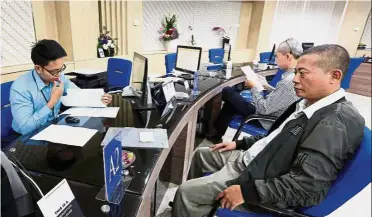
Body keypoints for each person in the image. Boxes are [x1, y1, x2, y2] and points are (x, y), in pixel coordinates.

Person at [172, 44, 365, 217]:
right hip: (257, 160)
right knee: (202, 154)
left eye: (303, 73)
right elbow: (277, 137)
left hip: (256, 179)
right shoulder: (308, 103)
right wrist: (240, 143)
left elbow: (309, 188)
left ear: (334, 76)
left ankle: (192, 202)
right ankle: (198, 209)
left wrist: (246, 192)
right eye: (296, 72)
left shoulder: (333, 123)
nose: (295, 80)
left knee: (186, 192)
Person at [209, 38, 303, 144]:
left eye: (276, 56)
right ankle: (216, 134)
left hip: (265, 119)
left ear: (287, 56)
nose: (275, 59)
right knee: (232, 100)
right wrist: (266, 85)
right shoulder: (294, 75)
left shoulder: (288, 81)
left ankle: (215, 132)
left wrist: (253, 87)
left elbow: (263, 109)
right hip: (270, 111)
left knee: (227, 91)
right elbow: (281, 97)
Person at [10, 39, 112, 135]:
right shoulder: (21, 88)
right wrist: (52, 102)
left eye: (61, 68)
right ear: (38, 68)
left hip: (52, 127)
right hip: (25, 139)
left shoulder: (59, 76)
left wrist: (100, 98)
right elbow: (25, 128)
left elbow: (79, 93)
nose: (59, 74)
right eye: (55, 71)